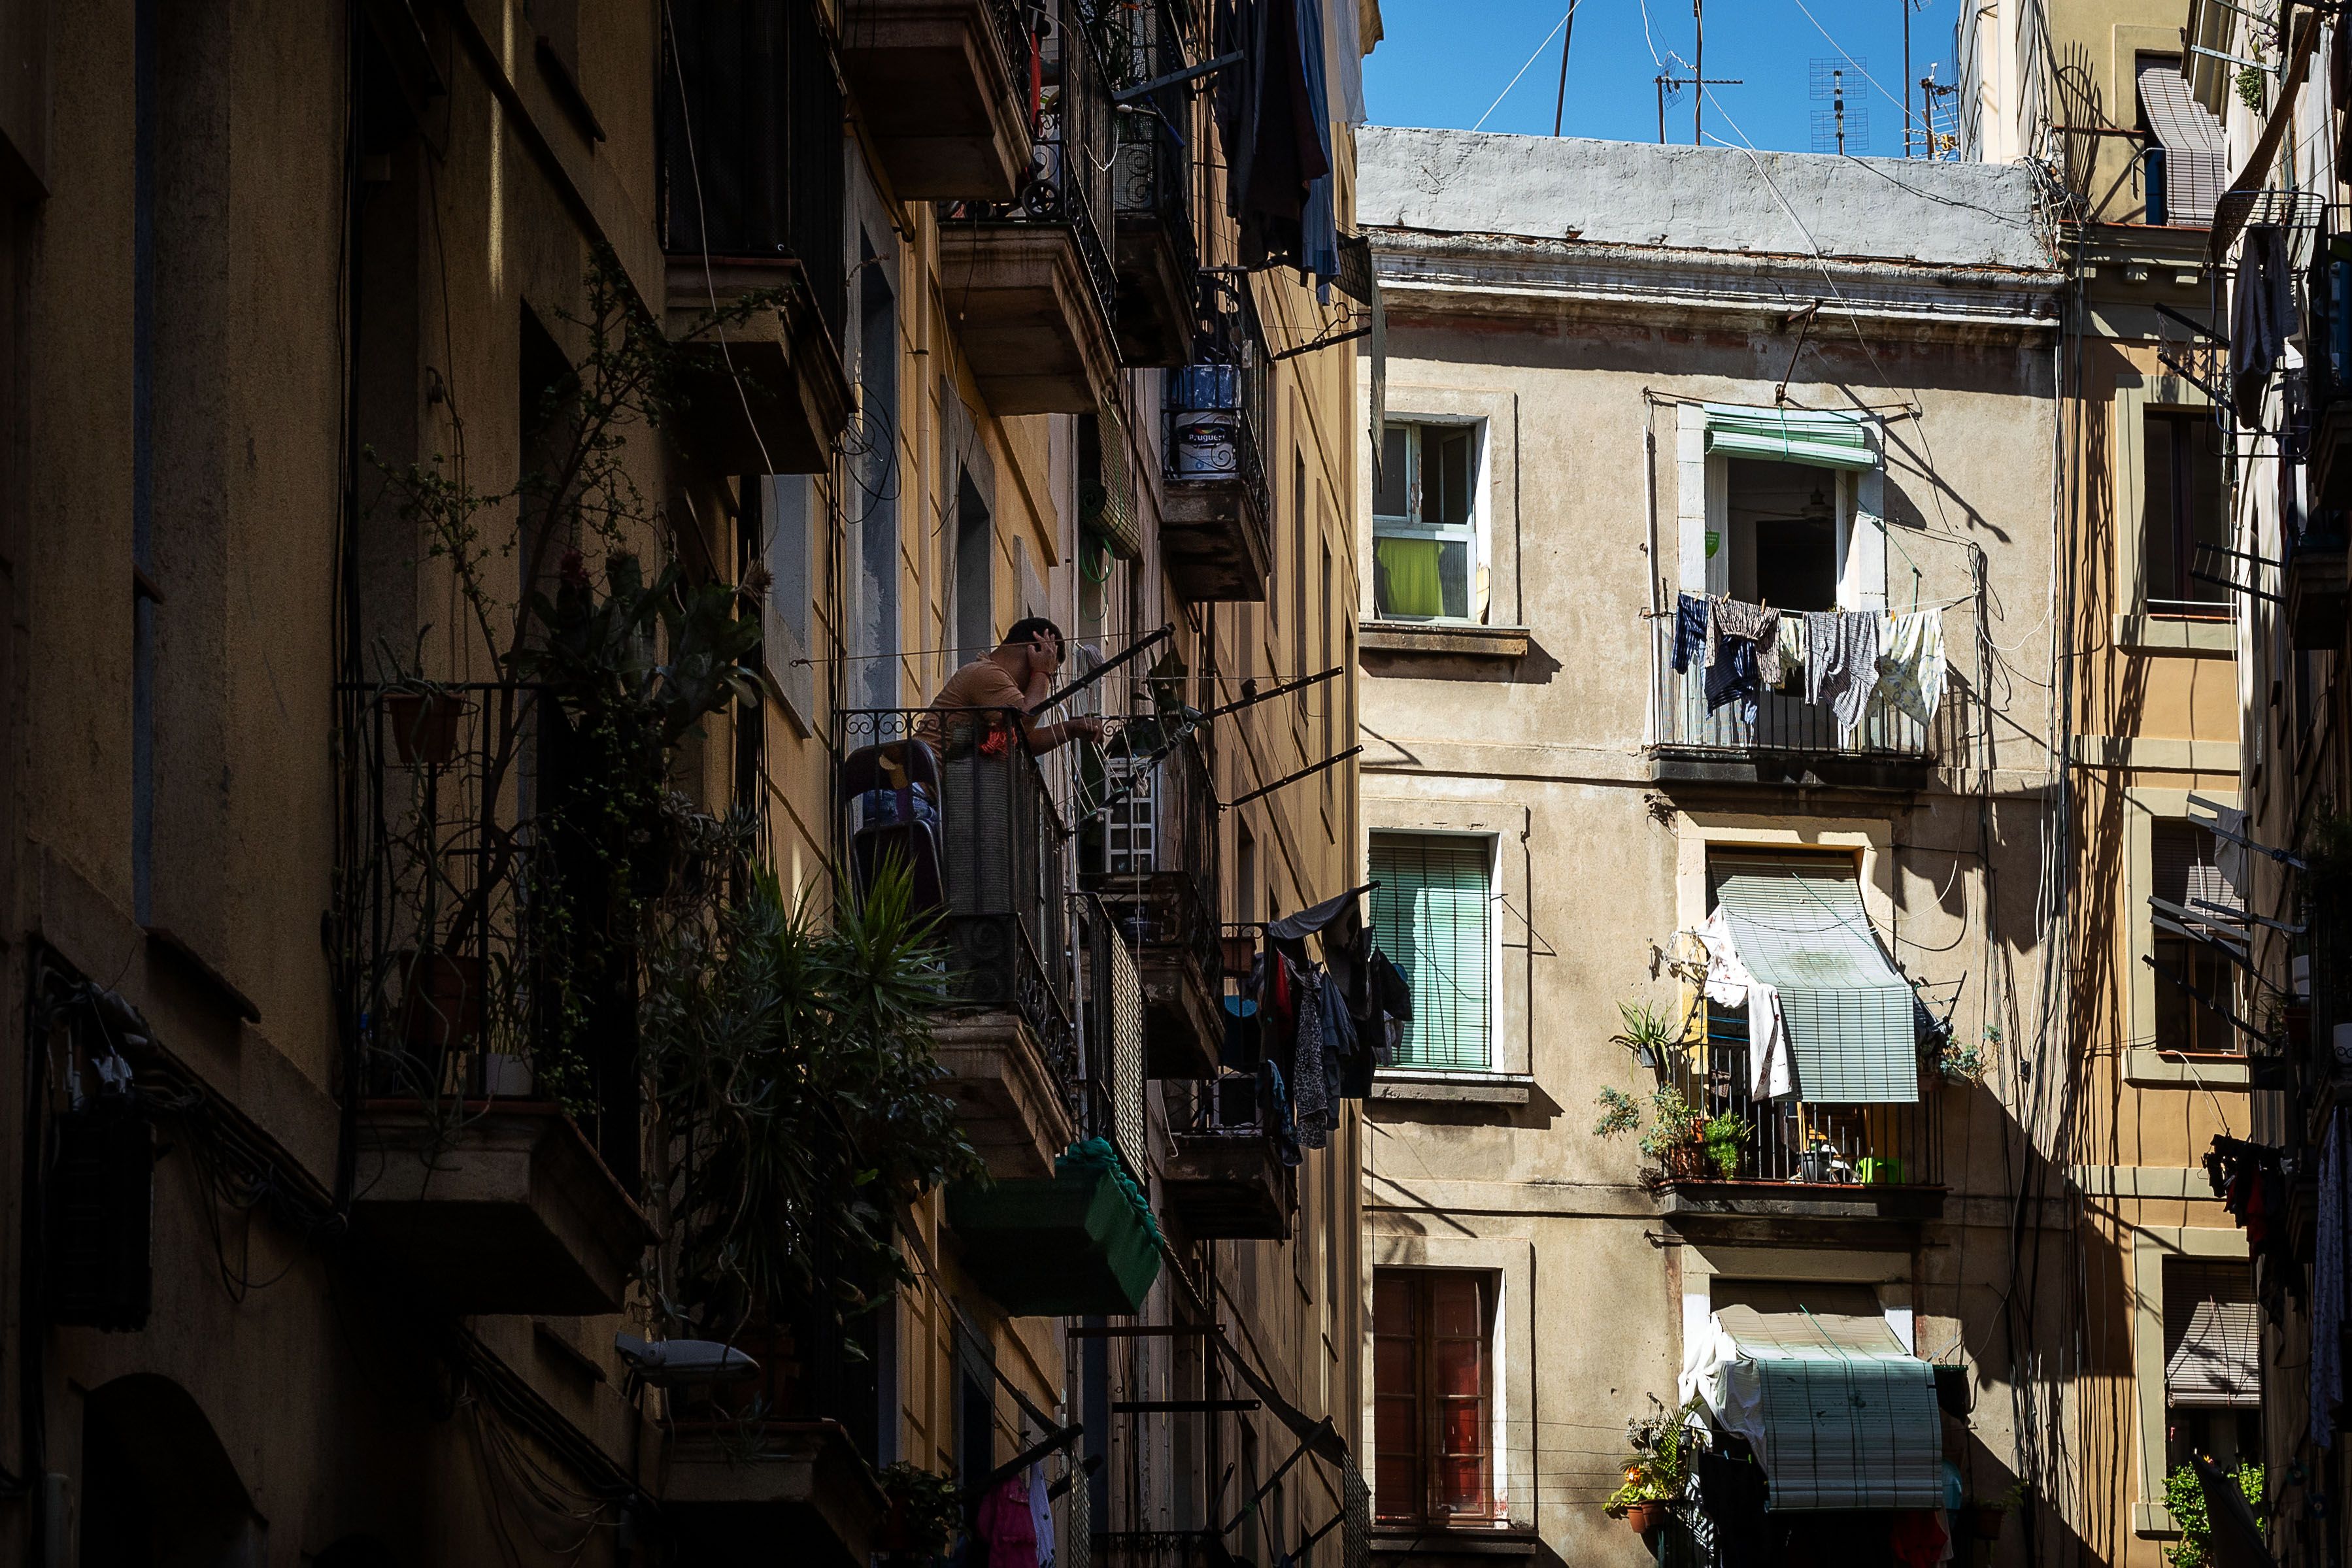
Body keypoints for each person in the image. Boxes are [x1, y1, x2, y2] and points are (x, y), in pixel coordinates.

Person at [915, 616, 1105, 754]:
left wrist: (1072, 729)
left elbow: (1023, 740)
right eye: (1051, 671)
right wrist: (1043, 672)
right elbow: (1024, 720)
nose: (1049, 681)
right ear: (1034, 652)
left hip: (927, 797)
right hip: (917, 795)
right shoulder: (987, 673)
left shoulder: (991, 678)